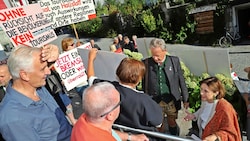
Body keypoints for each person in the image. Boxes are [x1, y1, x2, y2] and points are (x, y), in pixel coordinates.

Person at [88, 48, 162, 141]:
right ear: (138, 80)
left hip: (116, 134)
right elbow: (158, 123)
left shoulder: (108, 88)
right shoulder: (144, 100)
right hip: (141, 137)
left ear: (118, 73)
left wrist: (91, 59)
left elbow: (91, 79)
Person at [0, 46, 72, 141]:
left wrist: (53, 55)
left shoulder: (36, 85)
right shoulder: (13, 117)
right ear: (24, 75)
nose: (48, 71)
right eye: (43, 69)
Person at [142, 38, 189, 135]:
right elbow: (144, 83)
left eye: (157, 55)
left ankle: (174, 136)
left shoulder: (174, 61)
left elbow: (181, 80)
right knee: (158, 125)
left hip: (170, 99)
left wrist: (185, 99)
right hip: (155, 100)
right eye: (153, 55)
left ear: (165, 51)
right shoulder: (146, 63)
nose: (155, 58)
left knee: (172, 121)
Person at [184, 76, 242, 141]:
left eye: (206, 91)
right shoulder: (206, 100)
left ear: (216, 93)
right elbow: (202, 110)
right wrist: (194, 115)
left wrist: (215, 136)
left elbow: (230, 131)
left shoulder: (225, 108)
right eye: (201, 89)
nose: (201, 93)